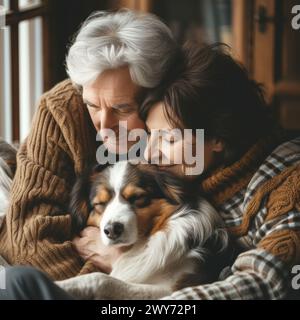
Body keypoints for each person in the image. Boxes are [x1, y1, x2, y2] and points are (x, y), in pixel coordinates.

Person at [1, 43, 299, 300]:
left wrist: (118, 277)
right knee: (19, 283)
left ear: (219, 136)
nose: (150, 153)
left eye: (169, 139)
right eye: (150, 136)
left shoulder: (289, 180)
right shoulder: (196, 170)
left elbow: (264, 282)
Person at [0, 9, 178, 280]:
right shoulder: (59, 110)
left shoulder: (181, 121)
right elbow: (29, 241)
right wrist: (106, 284)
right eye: (92, 106)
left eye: (121, 108)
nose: (104, 125)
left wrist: (122, 264)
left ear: (157, 98)